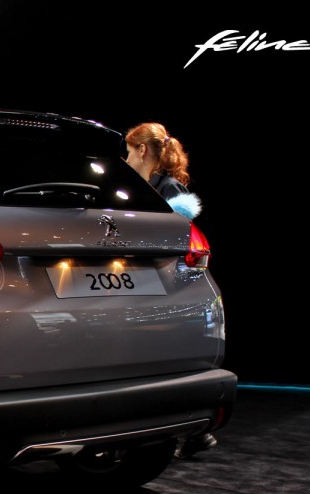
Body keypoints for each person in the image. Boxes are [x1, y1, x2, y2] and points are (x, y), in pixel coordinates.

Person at [126, 122, 215, 458]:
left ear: (143, 150)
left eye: (129, 151)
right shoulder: (139, 187)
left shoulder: (169, 188)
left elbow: (177, 239)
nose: (127, 158)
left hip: (167, 289)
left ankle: (197, 430)